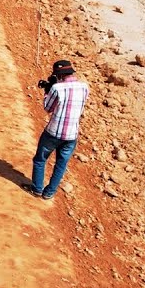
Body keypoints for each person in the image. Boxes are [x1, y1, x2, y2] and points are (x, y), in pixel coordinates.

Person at [30, 59, 89, 200]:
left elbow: (47, 108)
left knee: (40, 159)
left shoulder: (57, 89)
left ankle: (37, 189)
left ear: (59, 75)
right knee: (61, 164)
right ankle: (49, 193)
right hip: (71, 135)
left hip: (53, 132)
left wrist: (47, 92)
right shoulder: (85, 87)